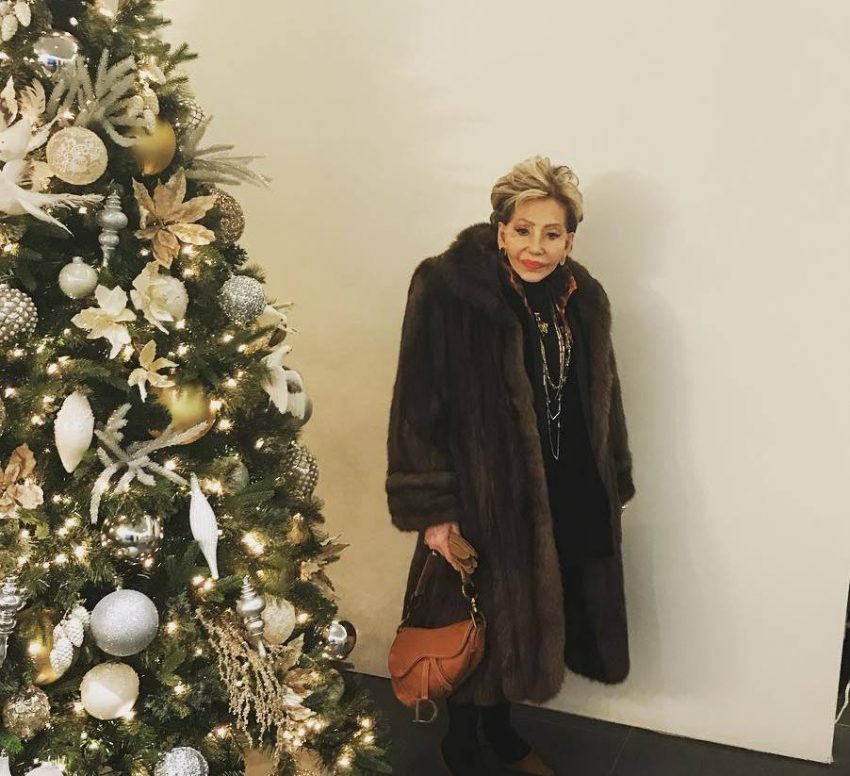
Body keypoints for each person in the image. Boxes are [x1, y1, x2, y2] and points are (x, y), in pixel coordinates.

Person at [386, 155, 636, 776]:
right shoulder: (447, 290)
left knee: (525, 624)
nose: (535, 247)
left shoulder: (583, 297)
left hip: (562, 489)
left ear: (569, 240)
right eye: (523, 230)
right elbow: (416, 404)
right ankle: (461, 744)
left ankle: (499, 732)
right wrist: (433, 512)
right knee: (474, 622)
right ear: (501, 230)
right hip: (481, 494)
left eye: (552, 233)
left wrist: (615, 476)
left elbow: (605, 393)